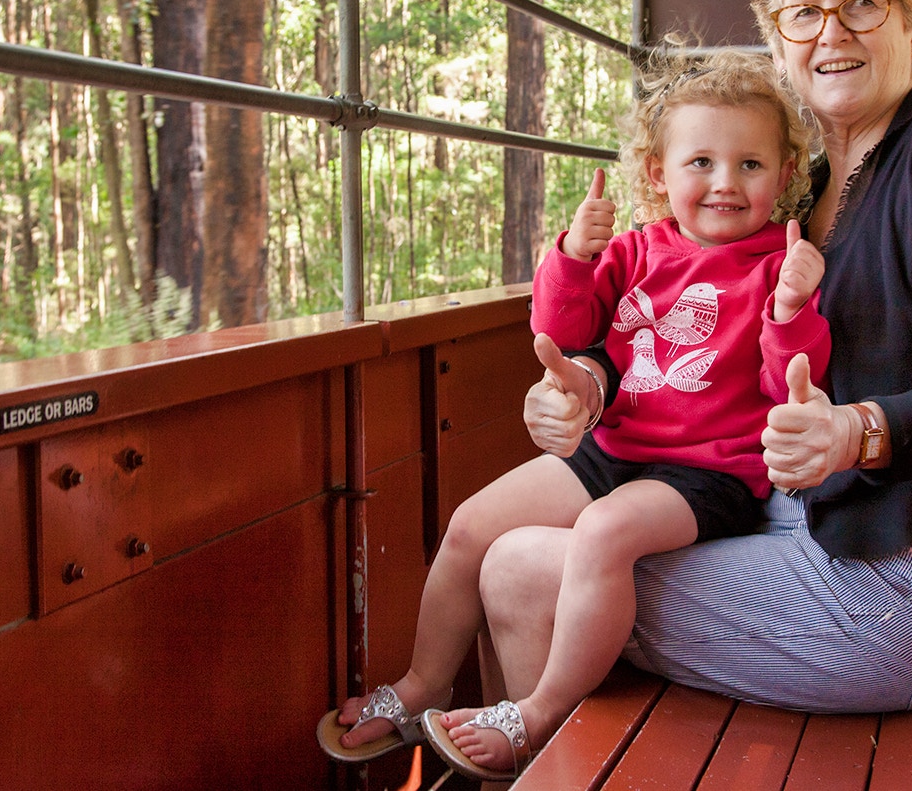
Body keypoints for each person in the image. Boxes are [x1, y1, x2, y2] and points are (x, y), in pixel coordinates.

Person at [435, 0, 912, 774]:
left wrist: (858, 430)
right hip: (801, 519)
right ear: (779, 39)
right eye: (804, 13)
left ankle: (543, 759)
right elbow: (684, 348)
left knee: (522, 568)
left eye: (862, 5)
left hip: (911, 579)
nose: (831, 33)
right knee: (508, 537)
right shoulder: (793, 197)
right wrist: (585, 389)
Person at [319, 50, 829, 781]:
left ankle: (541, 708)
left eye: (750, 165)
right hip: (614, 449)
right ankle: (424, 683)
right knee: (470, 522)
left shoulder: (776, 266)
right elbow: (562, 326)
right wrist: (572, 255)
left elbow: (789, 384)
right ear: (658, 172)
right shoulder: (634, 249)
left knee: (603, 533)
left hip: (707, 474)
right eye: (701, 162)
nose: (724, 182)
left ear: (783, 176)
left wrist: (791, 310)